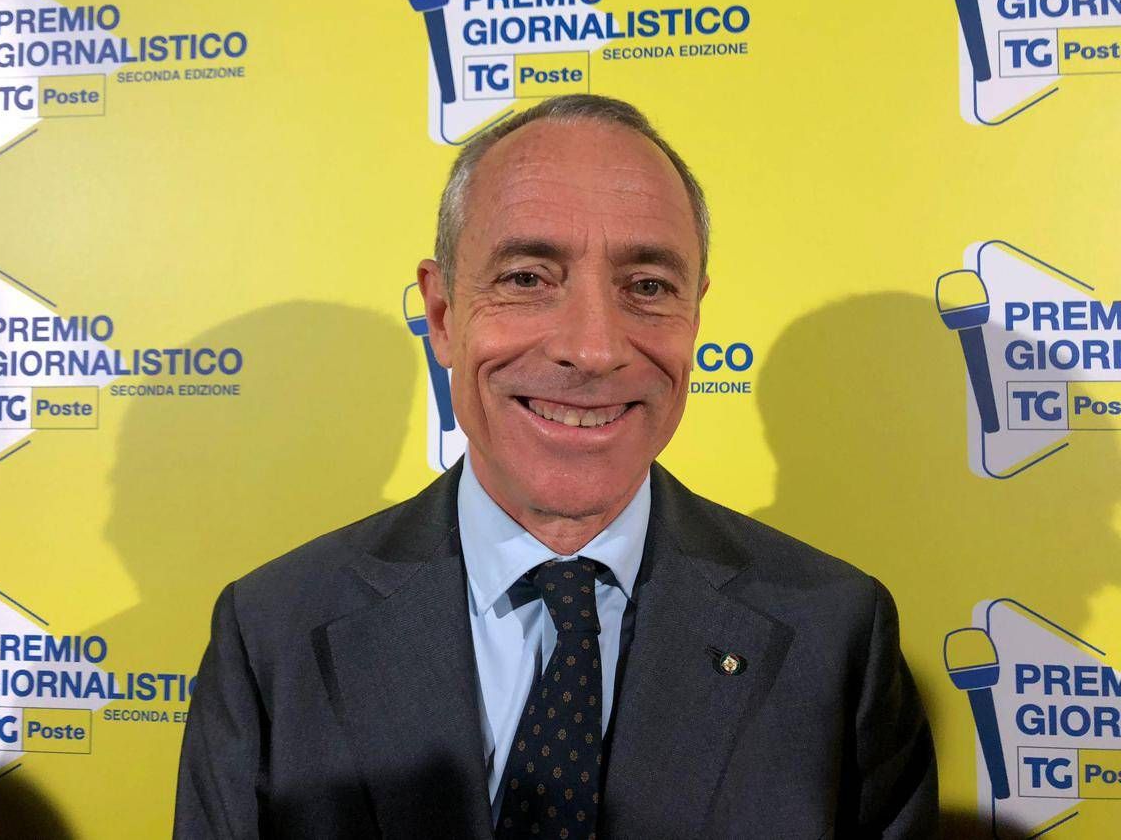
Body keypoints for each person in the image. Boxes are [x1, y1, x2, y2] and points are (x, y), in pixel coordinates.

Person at [173, 94, 938, 839]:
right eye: (527, 278)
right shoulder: (271, 635)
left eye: (648, 287)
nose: (594, 349)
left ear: (695, 317)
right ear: (442, 314)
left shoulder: (837, 634)